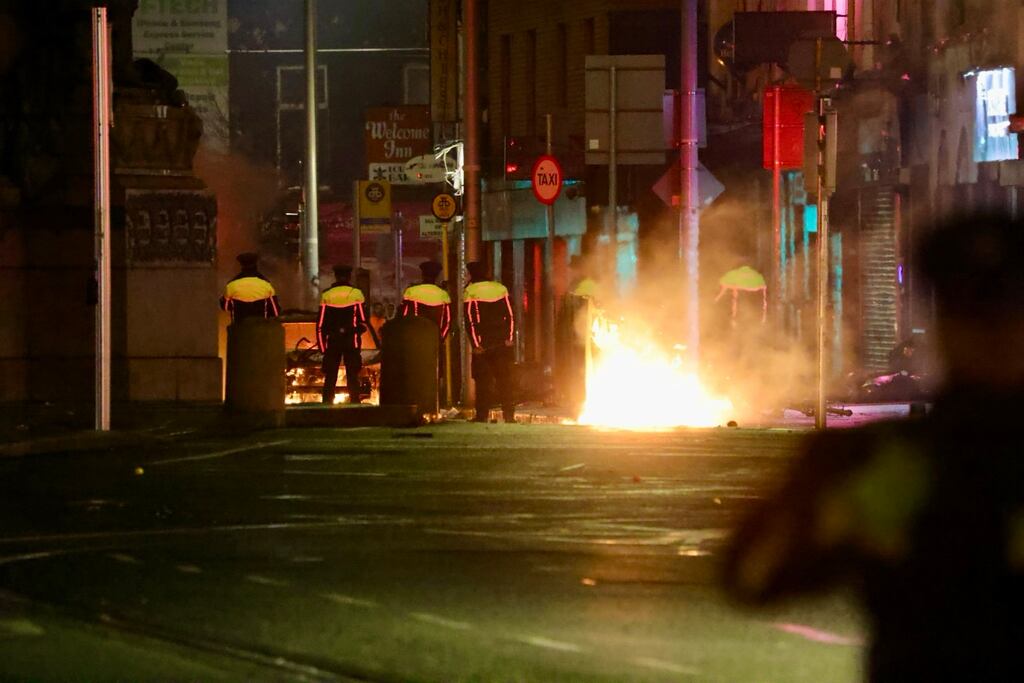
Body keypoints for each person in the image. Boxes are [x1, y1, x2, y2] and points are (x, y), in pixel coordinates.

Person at [721, 211, 1024, 682]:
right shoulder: (873, 461)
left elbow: (750, 579)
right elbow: (753, 577)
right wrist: (821, 508)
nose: (993, 336)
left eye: (1006, 315)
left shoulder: (879, 458)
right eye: (975, 315)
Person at [464, 261, 516, 423]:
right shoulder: (501, 289)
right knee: (505, 380)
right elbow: (510, 315)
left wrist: (475, 344)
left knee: (482, 382)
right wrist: (509, 337)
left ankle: (481, 416)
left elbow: (470, 320)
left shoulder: (470, 291)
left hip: (483, 344)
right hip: (501, 342)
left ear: (472, 274)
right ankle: (509, 415)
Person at [317, 265, 367, 404]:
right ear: (349, 276)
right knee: (352, 373)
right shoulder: (356, 293)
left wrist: (322, 345)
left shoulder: (327, 294)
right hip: (352, 341)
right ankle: (354, 400)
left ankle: (327, 401)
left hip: (332, 341)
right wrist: (358, 328)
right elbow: (362, 318)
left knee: (331, 374)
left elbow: (321, 322)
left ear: (336, 276)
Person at [219, 252, 280, 323]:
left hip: (239, 329)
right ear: (256, 265)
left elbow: (225, 308)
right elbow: (275, 311)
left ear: (241, 265)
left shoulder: (231, 285)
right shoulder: (266, 285)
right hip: (260, 328)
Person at [399, 260, 452, 339]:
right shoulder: (443, 295)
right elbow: (447, 321)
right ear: (436, 276)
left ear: (422, 275)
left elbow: (403, 316)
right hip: (434, 340)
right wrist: (441, 339)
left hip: (415, 338)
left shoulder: (411, 291)